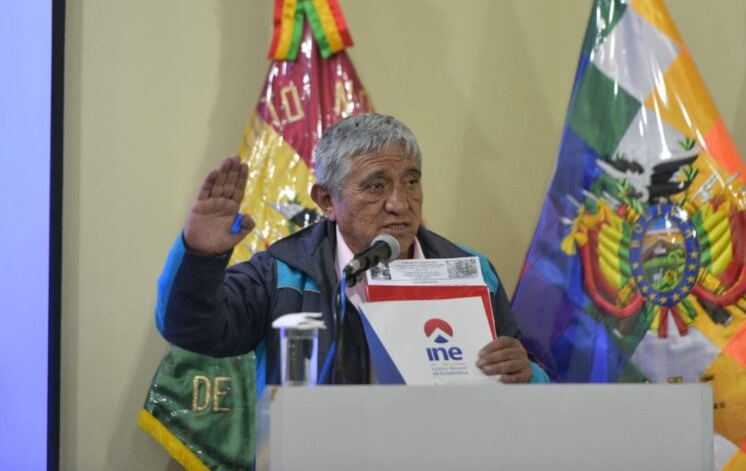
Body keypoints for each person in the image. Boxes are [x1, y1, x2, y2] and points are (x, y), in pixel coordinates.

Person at [156, 114, 548, 384]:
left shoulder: (470, 270)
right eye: (377, 186)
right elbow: (190, 330)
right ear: (327, 200)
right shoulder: (283, 273)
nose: (400, 203)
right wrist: (200, 257)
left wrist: (527, 374)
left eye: (411, 182)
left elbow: (524, 375)